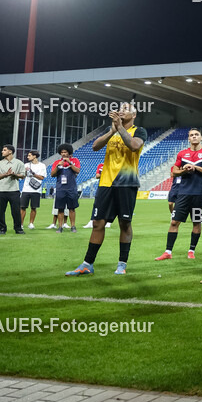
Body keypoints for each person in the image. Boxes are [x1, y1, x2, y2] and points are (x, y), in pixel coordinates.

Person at [65, 103, 148, 276]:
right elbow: (95, 146)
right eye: (120, 108)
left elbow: (133, 145)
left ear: (134, 114)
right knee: (97, 223)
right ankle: (87, 264)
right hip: (106, 183)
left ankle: (122, 264)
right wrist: (112, 131)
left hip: (127, 182)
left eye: (125, 109)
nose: (121, 110)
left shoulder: (139, 131)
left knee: (124, 223)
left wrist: (119, 128)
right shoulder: (112, 132)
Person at [155, 128, 202, 261]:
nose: (194, 137)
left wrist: (195, 167)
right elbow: (174, 172)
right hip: (183, 193)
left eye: (196, 135)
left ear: (201, 138)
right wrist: (184, 169)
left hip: (199, 193)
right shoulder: (182, 154)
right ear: (188, 138)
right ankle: (168, 252)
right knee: (174, 222)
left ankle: (191, 250)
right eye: (191, 135)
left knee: (196, 223)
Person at [0, 144, 27, 235]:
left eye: (4, 150)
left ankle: (18, 228)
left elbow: (23, 175)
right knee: (0, 211)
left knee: (15, 211)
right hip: (0, 190)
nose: (2, 151)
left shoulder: (19, 163)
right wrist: (5, 175)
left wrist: (15, 175)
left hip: (14, 190)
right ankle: (2, 229)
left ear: (10, 151)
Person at [50, 144, 81, 232]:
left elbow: (77, 171)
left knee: (72, 208)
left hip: (71, 188)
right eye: (62, 152)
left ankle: (73, 226)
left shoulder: (75, 160)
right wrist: (58, 166)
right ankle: (60, 227)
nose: (63, 154)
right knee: (60, 208)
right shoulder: (57, 162)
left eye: (65, 152)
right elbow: (52, 174)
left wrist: (70, 163)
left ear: (69, 152)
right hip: (60, 188)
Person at [20, 150, 47, 229]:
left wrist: (33, 173)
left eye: (29, 155)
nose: (28, 157)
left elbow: (42, 177)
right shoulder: (26, 165)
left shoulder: (42, 165)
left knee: (33, 207)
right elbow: (22, 177)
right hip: (26, 189)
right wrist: (25, 172)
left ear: (34, 156)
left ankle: (31, 223)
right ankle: (21, 223)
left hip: (36, 189)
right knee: (22, 207)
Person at [83, 163, 110, 229]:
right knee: (96, 203)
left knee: (109, 204)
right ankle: (92, 221)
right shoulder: (101, 165)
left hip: (111, 186)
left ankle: (108, 222)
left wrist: (103, 174)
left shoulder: (112, 164)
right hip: (101, 186)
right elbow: (97, 175)